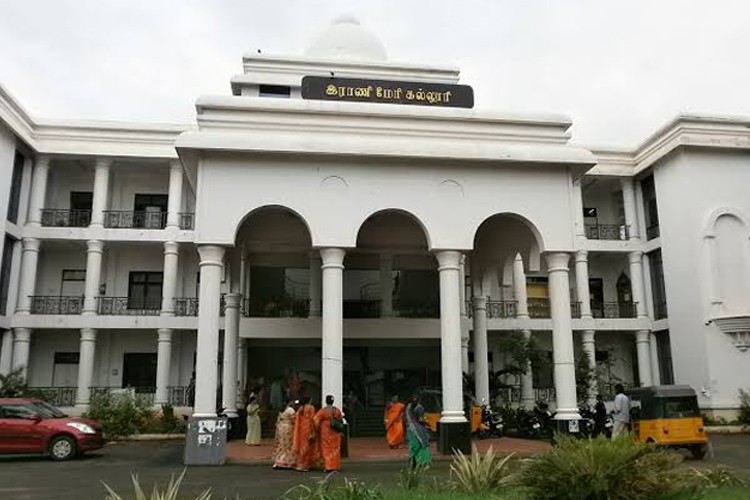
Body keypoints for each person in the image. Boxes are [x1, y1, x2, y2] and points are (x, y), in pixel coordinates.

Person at [314, 394, 344, 472]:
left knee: (326, 449)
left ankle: (328, 466)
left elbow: (316, 420)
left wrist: (317, 429)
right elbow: (340, 419)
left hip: (326, 432)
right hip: (335, 432)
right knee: (336, 449)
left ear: (326, 401)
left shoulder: (323, 411)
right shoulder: (337, 410)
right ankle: (336, 466)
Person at [405, 395, 432, 468]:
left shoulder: (408, 408)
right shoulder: (420, 408)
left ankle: (413, 461)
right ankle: (424, 462)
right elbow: (420, 420)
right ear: (419, 401)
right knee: (424, 445)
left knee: (413, 446)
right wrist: (427, 424)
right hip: (419, 429)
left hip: (410, 429)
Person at [292, 396, 317, 471]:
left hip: (301, 429)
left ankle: (300, 464)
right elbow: (313, 419)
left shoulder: (301, 408)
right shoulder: (311, 407)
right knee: (308, 447)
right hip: (308, 428)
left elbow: (296, 418)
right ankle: (305, 465)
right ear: (309, 400)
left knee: (302, 446)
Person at [272, 400, 298, 469]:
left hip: (282, 428)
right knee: (288, 445)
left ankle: (278, 460)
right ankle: (285, 461)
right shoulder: (291, 410)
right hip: (288, 428)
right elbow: (294, 419)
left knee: (282, 444)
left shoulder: (286, 410)